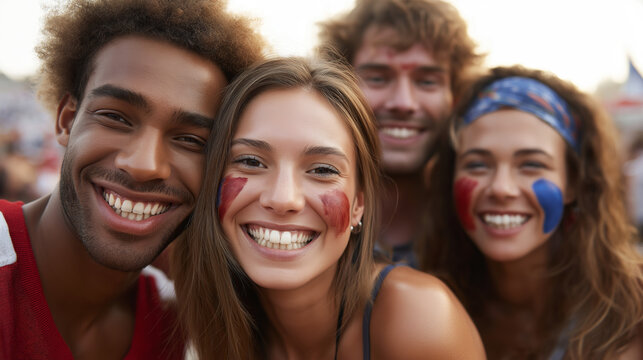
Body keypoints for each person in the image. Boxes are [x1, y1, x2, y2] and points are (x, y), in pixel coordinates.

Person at [172, 57, 485, 359]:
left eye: (322, 170)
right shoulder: (206, 314)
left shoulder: (419, 317)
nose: (283, 199)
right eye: (251, 161)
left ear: (360, 204)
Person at [0, 0, 264, 359]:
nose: (144, 165)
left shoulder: (178, 326)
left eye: (190, 139)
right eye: (116, 118)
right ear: (66, 119)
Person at [422, 65, 643, 359]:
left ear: (573, 182)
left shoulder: (632, 309)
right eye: (477, 164)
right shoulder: (426, 306)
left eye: (531, 165)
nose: (501, 188)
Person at [317, 0, 484, 267]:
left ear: (456, 97)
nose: (403, 103)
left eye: (427, 81)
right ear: (338, 88)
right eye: (378, 78)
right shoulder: (297, 214)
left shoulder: (484, 230)